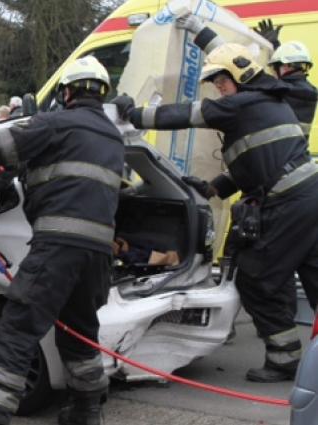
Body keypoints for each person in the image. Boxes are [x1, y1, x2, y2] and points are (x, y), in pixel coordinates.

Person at [0, 56, 122, 425]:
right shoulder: (112, 136)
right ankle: (87, 409)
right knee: (80, 331)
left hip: (58, 246)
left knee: (16, 328)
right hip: (98, 255)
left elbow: (1, 142)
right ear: (100, 94)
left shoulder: (57, 123)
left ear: (66, 92)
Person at [113, 43, 318, 383]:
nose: (219, 89)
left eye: (222, 81)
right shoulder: (268, 102)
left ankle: (285, 358)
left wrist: (132, 115)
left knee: (255, 278)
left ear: (239, 74)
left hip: (289, 203)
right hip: (308, 197)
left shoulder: (241, 104)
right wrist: (212, 188)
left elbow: (183, 115)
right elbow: (257, 163)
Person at [176, 15, 316, 139]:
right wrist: (274, 47)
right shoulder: (307, 93)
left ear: (287, 67)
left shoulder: (280, 89)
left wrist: (200, 31)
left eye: (275, 66)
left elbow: (230, 59)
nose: (272, 70)